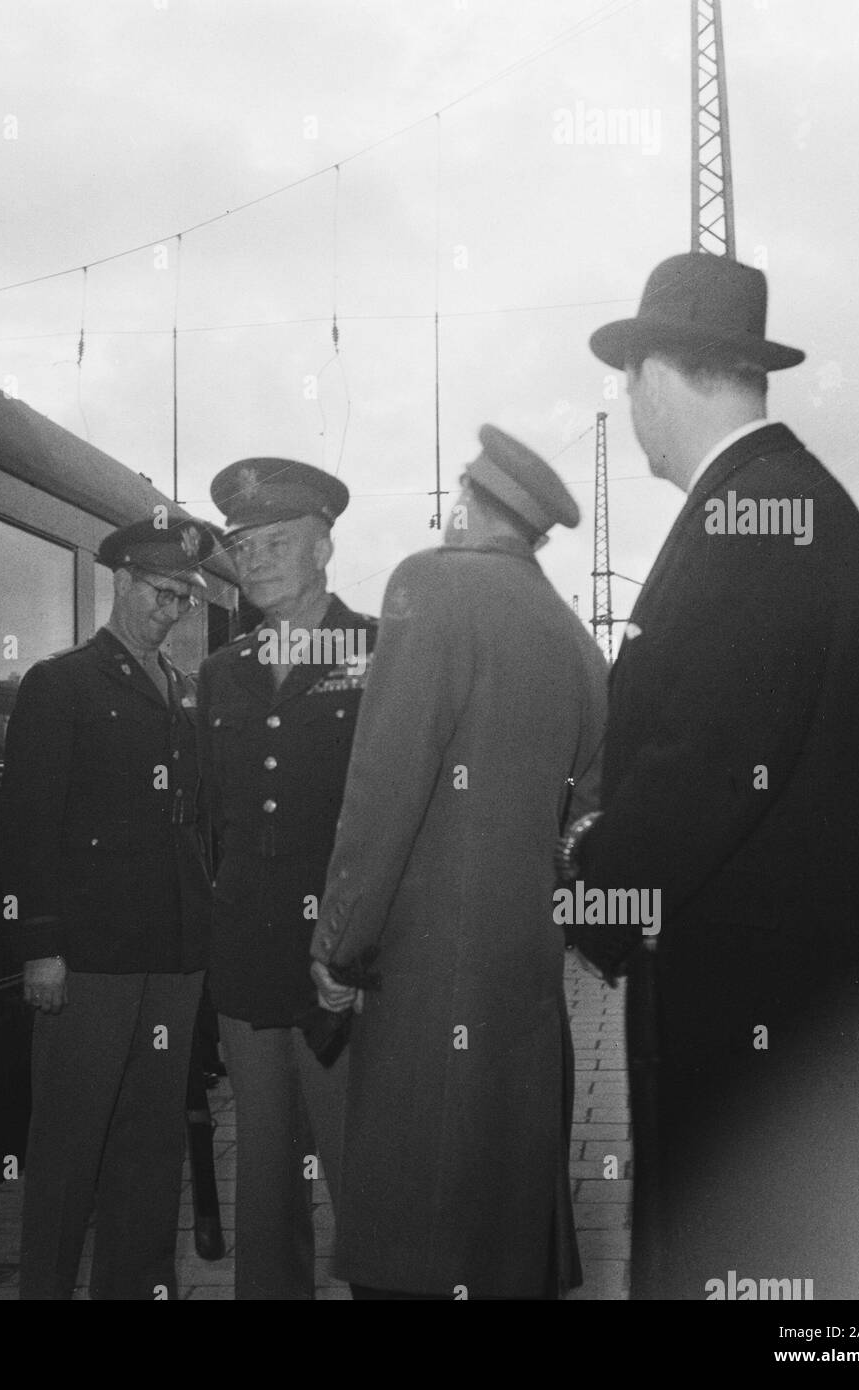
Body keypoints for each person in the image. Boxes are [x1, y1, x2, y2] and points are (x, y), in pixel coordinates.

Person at [562, 252, 859, 1298]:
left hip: (765, 1061)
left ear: (655, 375)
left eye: (626, 379)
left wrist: (588, 886)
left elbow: (701, 770)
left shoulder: (758, 520)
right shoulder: (768, 502)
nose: (627, 405)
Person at [308, 426, 607, 1300]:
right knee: (499, 1247)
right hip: (522, 990)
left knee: (412, 1248)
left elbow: (382, 790)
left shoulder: (428, 586)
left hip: (423, 984)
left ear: (465, 504)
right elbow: (586, 831)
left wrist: (336, 942)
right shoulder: (577, 642)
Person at [0, 517, 214, 1300]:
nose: (173, 612)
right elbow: (27, 826)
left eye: (185, 599)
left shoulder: (183, 693)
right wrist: (39, 945)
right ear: (121, 582)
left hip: (172, 955)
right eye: (162, 593)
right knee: (67, 1147)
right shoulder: (60, 686)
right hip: (87, 959)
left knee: (152, 1146)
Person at [197, 458, 377, 1299]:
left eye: (278, 541)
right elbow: (207, 818)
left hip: (348, 961)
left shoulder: (380, 653)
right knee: (265, 1178)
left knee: (364, 1176)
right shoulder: (221, 668)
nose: (257, 558)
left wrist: (366, 944)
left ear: (323, 548)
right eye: (244, 544)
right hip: (248, 954)